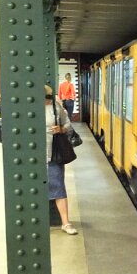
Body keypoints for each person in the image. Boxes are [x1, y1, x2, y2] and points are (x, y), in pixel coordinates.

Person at [45, 84, 78, 235]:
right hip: (34, 156)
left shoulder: (55, 107)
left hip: (54, 152)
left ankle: (66, 223)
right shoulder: (26, 109)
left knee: (58, 186)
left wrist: (61, 129)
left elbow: (68, 125)